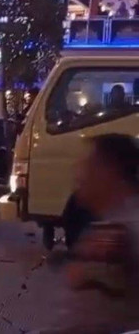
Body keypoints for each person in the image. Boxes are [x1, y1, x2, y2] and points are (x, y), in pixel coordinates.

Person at [44, 134, 139, 332]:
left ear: (109, 172)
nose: (78, 173)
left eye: (88, 165)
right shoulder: (104, 226)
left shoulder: (124, 233)